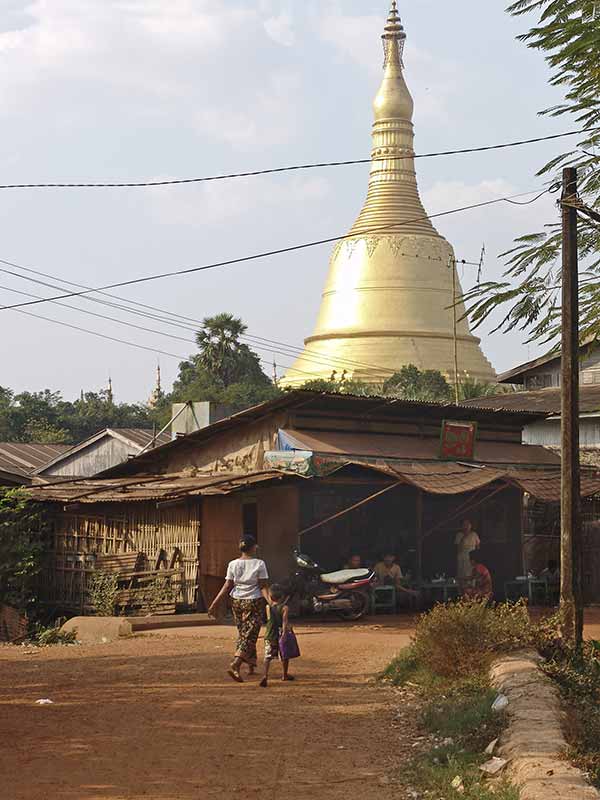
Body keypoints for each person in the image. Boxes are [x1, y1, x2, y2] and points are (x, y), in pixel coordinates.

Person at [208, 535, 270, 683]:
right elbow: (263, 586)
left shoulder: (233, 564)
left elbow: (227, 586)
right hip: (253, 601)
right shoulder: (259, 564)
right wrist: (271, 603)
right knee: (250, 634)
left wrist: (214, 603)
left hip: (236, 602)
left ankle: (251, 666)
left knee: (245, 632)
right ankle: (236, 663)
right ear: (253, 547)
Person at [260, 584, 295, 688]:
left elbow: (269, 619)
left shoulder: (268, 607)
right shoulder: (285, 608)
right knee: (285, 655)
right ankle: (284, 674)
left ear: (270, 597)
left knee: (267, 656)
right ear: (282, 597)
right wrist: (285, 633)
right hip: (280, 634)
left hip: (269, 634)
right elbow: (284, 622)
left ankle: (265, 675)